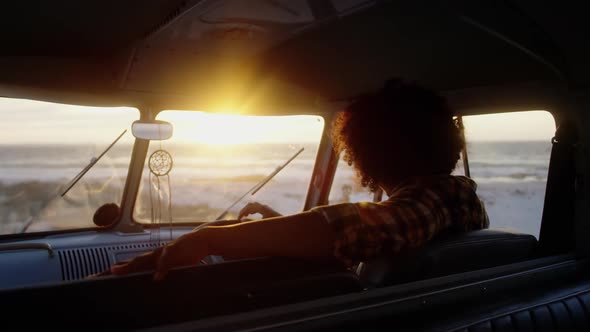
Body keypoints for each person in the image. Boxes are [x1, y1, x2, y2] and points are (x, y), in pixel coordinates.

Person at [104, 78, 489, 280]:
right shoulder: (459, 199)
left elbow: (362, 228)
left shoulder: (438, 201)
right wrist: (276, 223)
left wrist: (207, 238)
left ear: (368, 153)